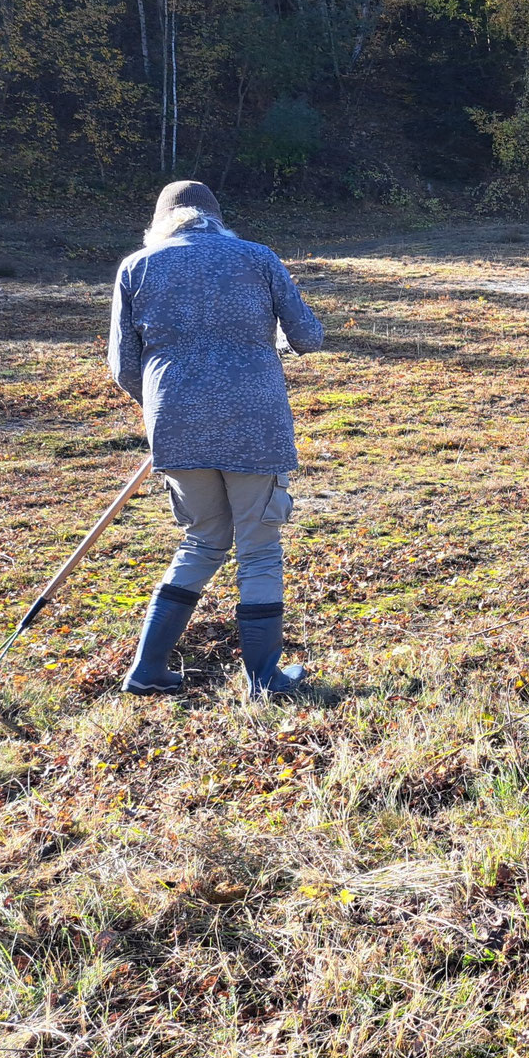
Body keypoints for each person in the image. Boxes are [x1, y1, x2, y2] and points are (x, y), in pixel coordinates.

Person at [108, 181, 325, 696]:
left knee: (203, 539)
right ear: (216, 218)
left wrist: (171, 410)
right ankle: (265, 678)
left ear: (162, 221)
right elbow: (309, 337)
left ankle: (147, 671)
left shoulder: (137, 266)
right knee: (258, 546)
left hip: (175, 423)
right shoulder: (257, 258)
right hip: (255, 419)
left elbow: (123, 368)